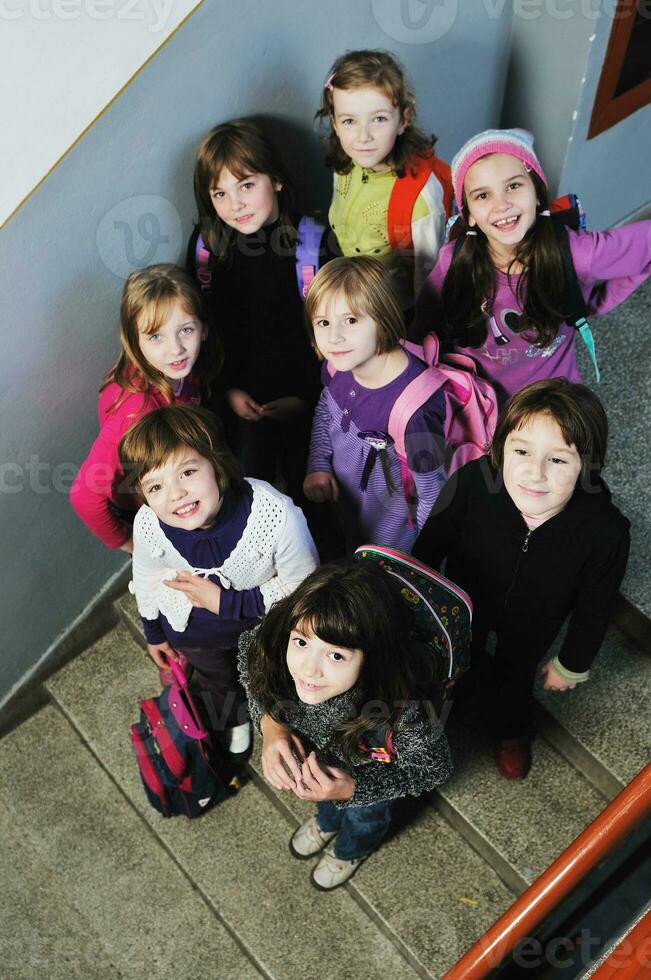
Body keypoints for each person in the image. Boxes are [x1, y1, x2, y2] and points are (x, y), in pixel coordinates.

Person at [413, 379, 630, 780]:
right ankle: (449, 706)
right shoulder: (473, 482)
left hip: (535, 621)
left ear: (588, 466)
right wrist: (411, 604)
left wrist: (572, 663)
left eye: (559, 460)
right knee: (455, 662)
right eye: (522, 451)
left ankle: (511, 731)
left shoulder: (605, 532)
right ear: (500, 447)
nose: (535, 472)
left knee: (513, 680)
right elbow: (429, 547)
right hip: (463, 604)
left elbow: (595, 607)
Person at [237, 559, 452, 891]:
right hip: (318, 764)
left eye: (336, 656)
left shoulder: (406, 709)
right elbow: (251, 663)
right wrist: (270, 725)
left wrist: (355, 790)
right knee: (324, 800)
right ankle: (327, 822)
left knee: (364, 818)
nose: (308, 670)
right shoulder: (276, 639)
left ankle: (352, 850)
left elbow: (433, 768)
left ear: (372, 658)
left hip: (369, 775)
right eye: (302, 643)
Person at [119, 404, 319, 759]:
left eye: (188, 472)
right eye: (155, 486)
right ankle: (234, 718)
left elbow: (303, 587)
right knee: (217, 682)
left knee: (266, 677)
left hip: (260, 629)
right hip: (195, 635)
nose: (175, 494)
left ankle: (273, 719)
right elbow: (146, 575)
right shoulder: (149, 523)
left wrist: (226, 603)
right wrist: (154, 632)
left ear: (216, 462)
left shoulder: (276, 515)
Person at [412, 128, 651, 406]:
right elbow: (423, 327)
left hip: (552, 399)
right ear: (470, 215)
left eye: (513, 186)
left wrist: (597, 302)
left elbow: (643, 247)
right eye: (482, 196)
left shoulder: (575, 252)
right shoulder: (453, 261)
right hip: (479, 403)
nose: (502, 205)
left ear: (537, 194)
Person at [187, 118, 334, 511]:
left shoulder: (312, 245)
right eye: (219, 193)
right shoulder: (208, 247)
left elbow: (333, 334)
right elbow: (201, 332)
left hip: (307, 398)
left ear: (278, 181)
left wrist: (304, 397)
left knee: (315, 498)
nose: (234, 204)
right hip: (236, 399)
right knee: (249, 496)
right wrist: (227, 392)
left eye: (247, 185)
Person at [303, 256, 447, 553]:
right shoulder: (337, 368)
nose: (334, 337)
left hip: (392, 537)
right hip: (348, 505)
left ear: (383, 319)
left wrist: (417, 559)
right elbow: (326, 412)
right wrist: (318, 464)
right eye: (324, 322)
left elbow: (431, 493)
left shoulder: (413, 410)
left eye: (351, 320)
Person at [70, 264, 218, 551]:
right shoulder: (136, 410)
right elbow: (83, 494)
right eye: (155, 336)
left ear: (203, 329)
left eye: (185, 330)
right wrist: (132, 544)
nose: (176, 349)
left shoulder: (178, 368)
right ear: (134, 342)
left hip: (182, 474)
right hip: (158, 507)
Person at [315, 49, 452, 309]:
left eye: (378, 119)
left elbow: (430, 283)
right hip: (352, 296)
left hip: (395, 313)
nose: (362, 136)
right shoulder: (346, 163)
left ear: (403, 119)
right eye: (349, 121)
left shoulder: (421, 196)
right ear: (334, 122)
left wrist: (415, 334)